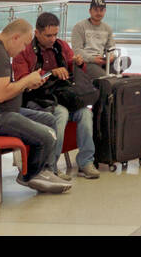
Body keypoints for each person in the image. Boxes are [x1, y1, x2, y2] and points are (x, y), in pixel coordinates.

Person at [0, 18, 70, 193]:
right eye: (23, 44)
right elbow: (1, 94)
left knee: (49, 120)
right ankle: (31, 175)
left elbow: (3, 92)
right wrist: (27, 79)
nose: (23, 49)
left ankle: (45, 171)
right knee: (48, 135)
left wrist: (27, 85)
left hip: (1, 113)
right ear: (15, 37)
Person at [11, 12, 99, 179]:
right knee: (61, 113)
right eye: (48, 35)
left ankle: (86, 162)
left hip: (61, 97)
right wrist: (50, 73)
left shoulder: (61, 46)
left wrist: (78, 64)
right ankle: (50, 167)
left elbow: (74, 73)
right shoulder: (24, 51)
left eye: (55, 34)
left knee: (85, 113)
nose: (52, 39)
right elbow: (23, 82)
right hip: (36, 101)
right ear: (37, 33)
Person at [70, 0, 116, 69]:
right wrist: (93, 59)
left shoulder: (107, 28)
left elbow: (111, 48)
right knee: (104, 74)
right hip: (87, 62)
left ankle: (105, 74)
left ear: (105, 11)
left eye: (101, 10)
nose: (99, 13)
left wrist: (111, 56)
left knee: (121, 62)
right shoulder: (79, 27)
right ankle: (105, 76)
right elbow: (77, 50)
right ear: (90, 11)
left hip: (102, 61)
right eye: (95, 10)